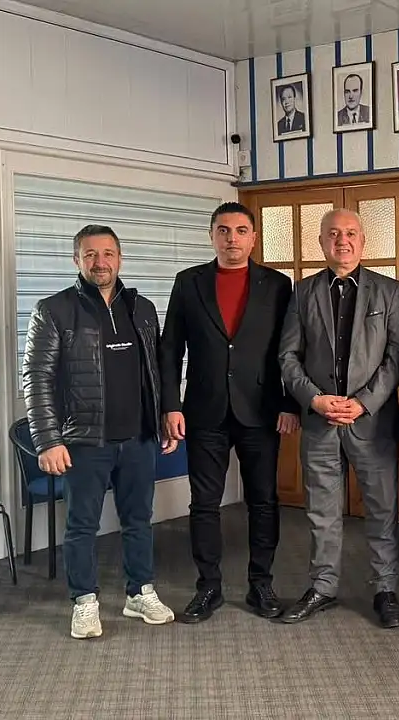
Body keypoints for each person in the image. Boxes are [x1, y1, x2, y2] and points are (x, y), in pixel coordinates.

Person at [21, 224, 177, 639]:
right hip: (84, 440)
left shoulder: (141, 308)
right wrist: (48, 440)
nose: (100, 262)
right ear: (77, 260)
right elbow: (36, 378)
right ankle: (84, 601)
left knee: (139, 520)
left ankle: (139, 592)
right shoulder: (54, 310)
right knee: (82, 525)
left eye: (107, 253)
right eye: (90, 254)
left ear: (119, 258)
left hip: (139, 437)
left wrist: (164, 415)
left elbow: (158, 369)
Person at [159, 202, 300, 624]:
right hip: (205, 411)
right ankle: (208, 587)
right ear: (212, 236)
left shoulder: (278, 285)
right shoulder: (188, 282)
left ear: (253, 238)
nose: (231, 238)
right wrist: (170, 404)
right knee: (204, 503)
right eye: (223, 230)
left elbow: (292, 348)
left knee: (263, 501)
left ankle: (261, 584)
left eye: (240, 231)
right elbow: (170, 348)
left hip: (261, 410)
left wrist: (290, 403)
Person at [277, 208, 399, 628]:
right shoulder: (302, 292)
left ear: (363, 241)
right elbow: (288, 355)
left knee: (382, 509)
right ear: (321, 242)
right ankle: (323, 587)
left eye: (351, 233)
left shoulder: (390, 292)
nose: (343, 240)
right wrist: (314, 400)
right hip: (320, 422)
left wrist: (364, 402)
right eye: (333, 233)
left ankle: (385, 589)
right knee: (321, 511)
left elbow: (397, 357)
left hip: (371, 421)